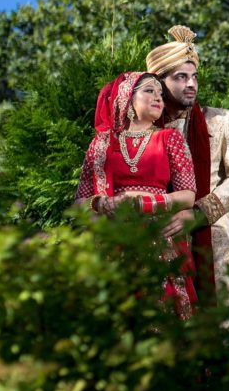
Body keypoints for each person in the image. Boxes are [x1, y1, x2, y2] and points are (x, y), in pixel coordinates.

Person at [75, 71, 198, 319]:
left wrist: (147, 203)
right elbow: (79, 202)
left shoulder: (169, 138)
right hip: (113, 236)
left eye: (160, 94)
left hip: (159, 236)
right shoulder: (101, 144)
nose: (158, 98)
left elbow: (188, 195)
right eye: (149, 91)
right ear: (127, 98)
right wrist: (102, 202)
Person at [146, 25, 229, 305]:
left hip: (218, 244)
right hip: (163, 244)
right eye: (181, 77)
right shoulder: (146, 132)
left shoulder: (220, 120)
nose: (191, 84)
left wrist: (197, 213)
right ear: (159, 83)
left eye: (194, 76)